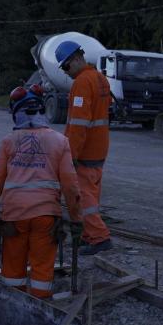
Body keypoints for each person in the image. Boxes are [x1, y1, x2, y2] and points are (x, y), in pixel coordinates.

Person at [0, 84, 82, 299]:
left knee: (13, 268)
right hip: (46, 216)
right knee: (42, 269)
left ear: (17, 112)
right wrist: (76, 219)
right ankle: (40, 310)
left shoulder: (9, 142)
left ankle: (12, 305)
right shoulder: (60, 141)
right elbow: (71, 186)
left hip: (14, 216)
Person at [55, 40, 114, 255]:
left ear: (77, 59)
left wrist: (70, 155)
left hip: (86, 150)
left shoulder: (82, 83)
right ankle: (90, 236)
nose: (66, 72)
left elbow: (79, 125)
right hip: (99, 148)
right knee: (92, 195)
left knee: (84, 198)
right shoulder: (100, 79)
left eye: (66, 66)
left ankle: (99, 238)